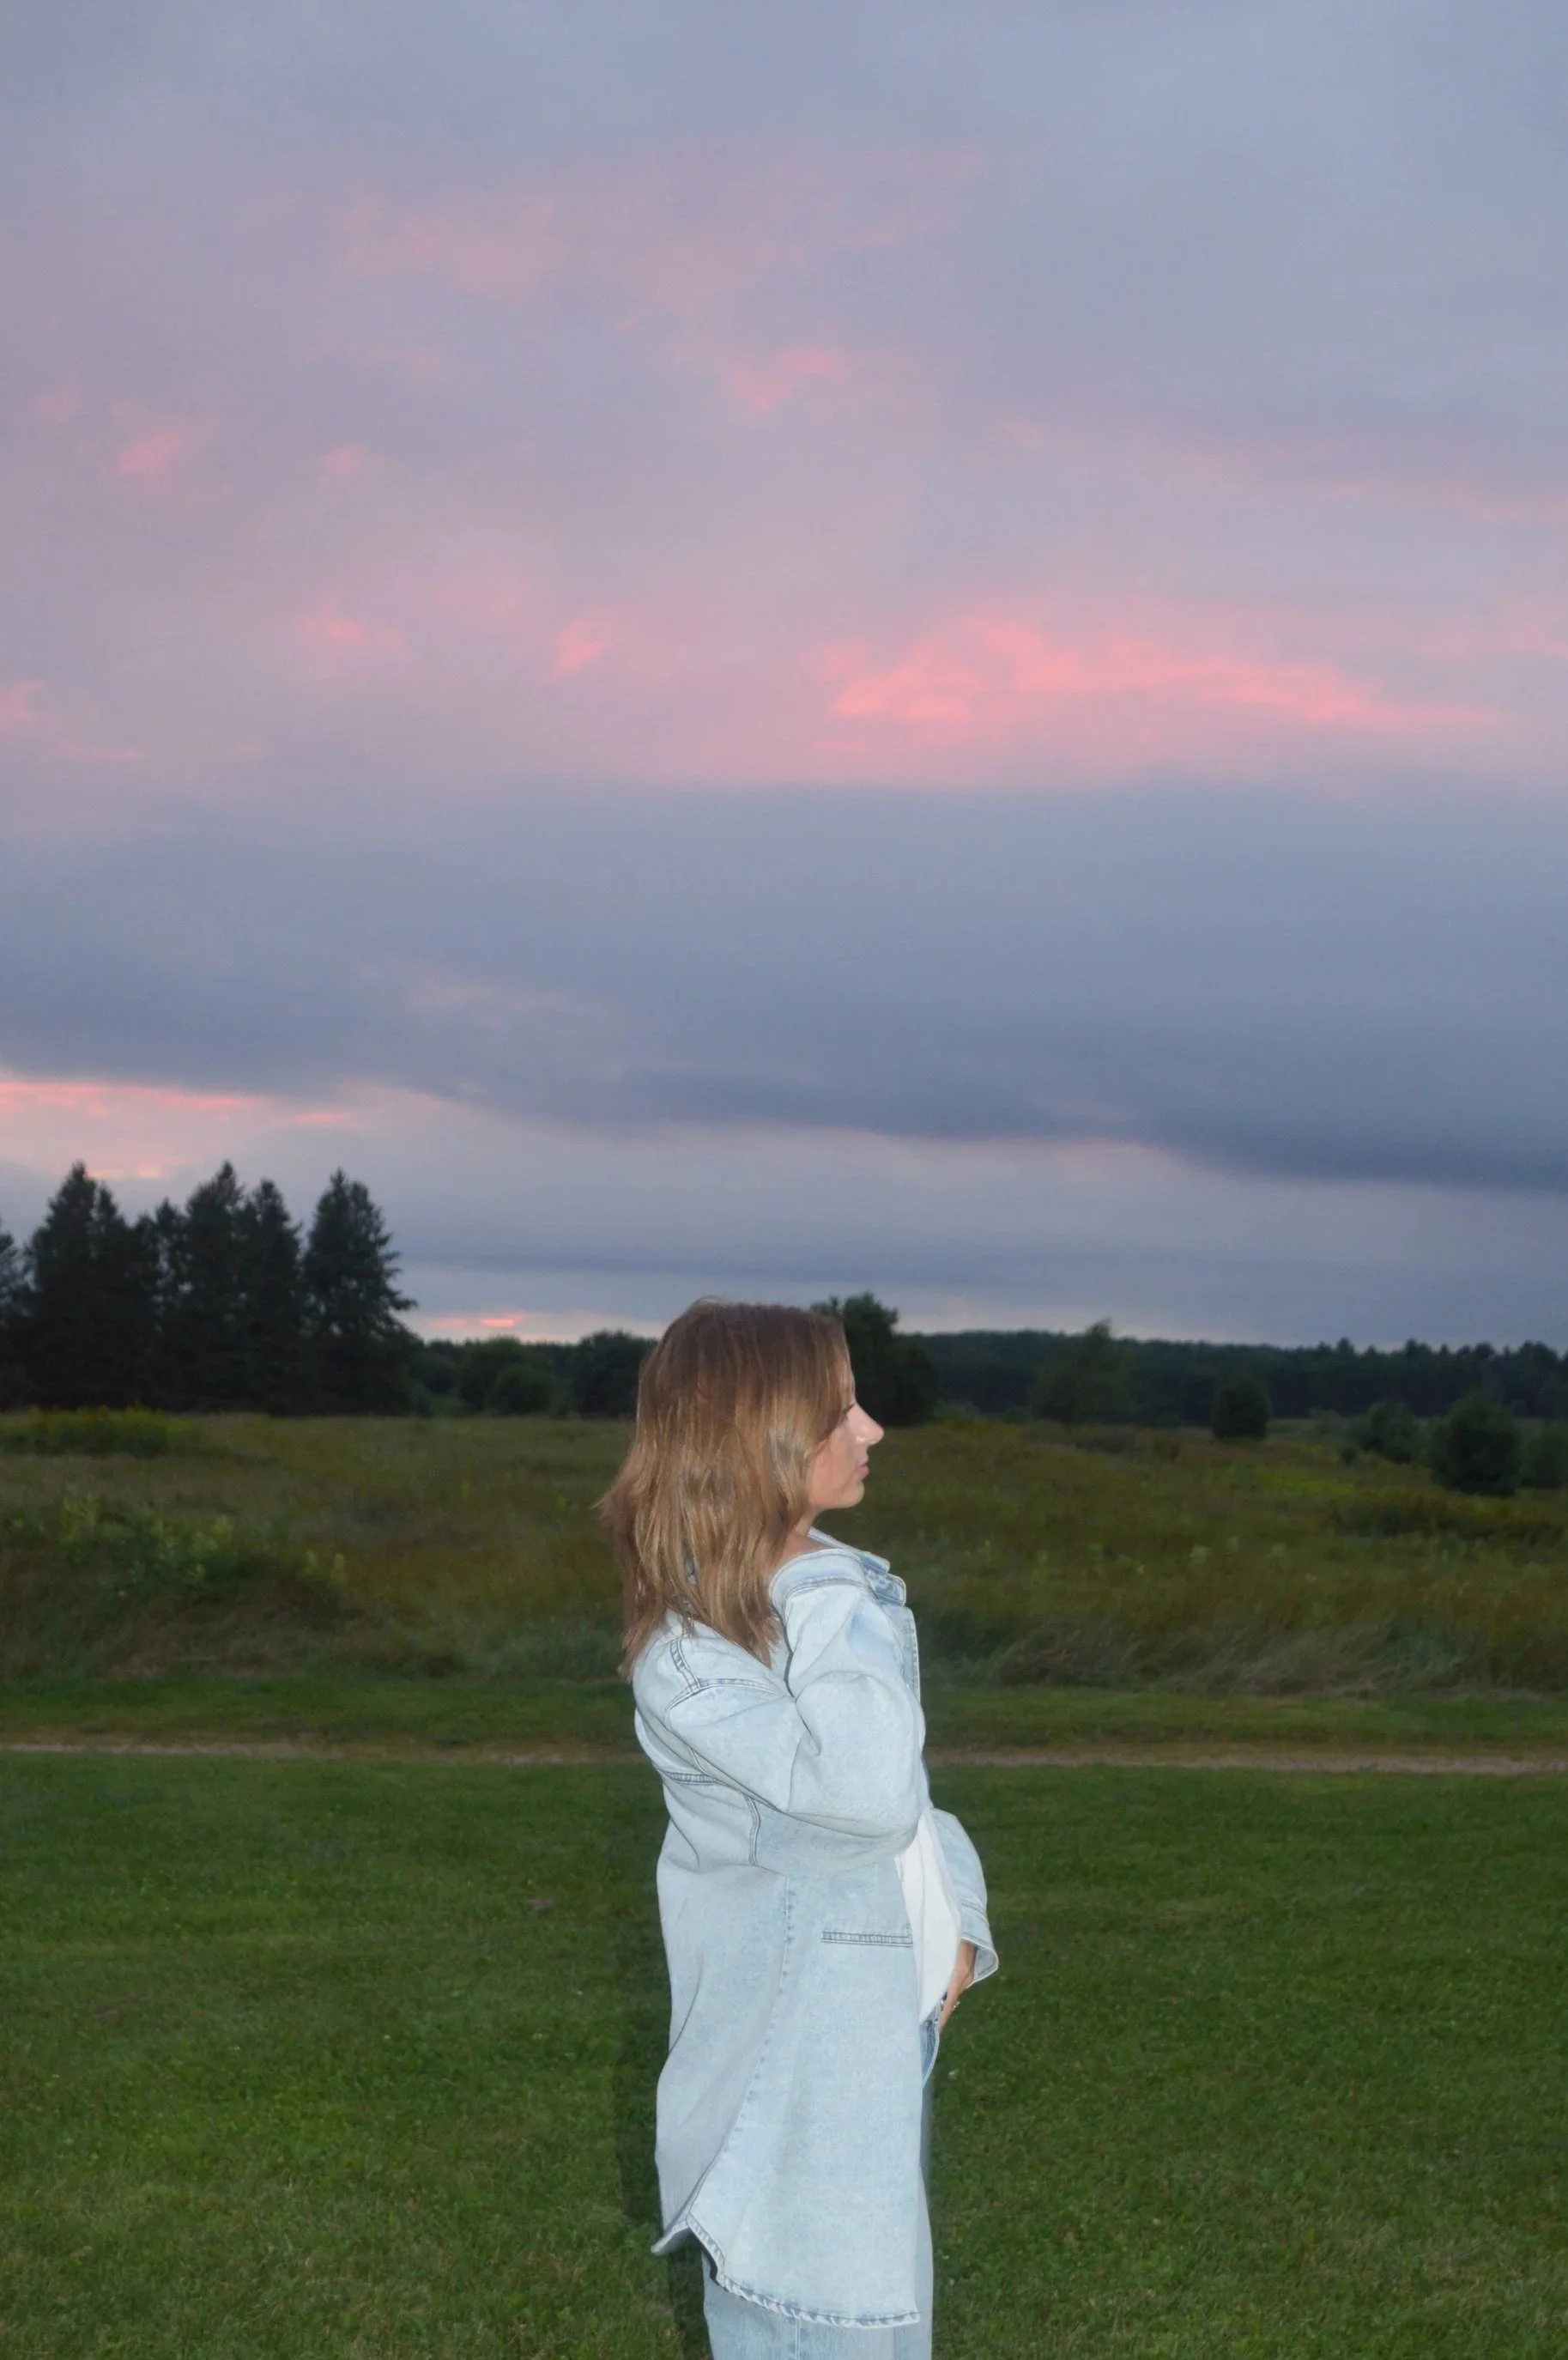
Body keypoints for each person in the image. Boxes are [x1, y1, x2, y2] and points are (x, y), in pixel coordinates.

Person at [605, 1299, 996, 2357]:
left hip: (856, 2072)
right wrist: (825, 1571)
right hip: (792, 2121)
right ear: (762, 1443)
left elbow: (909, 1800)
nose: (870, 1431)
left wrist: (959, 1930)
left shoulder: (787, 1618)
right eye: (840, 1411)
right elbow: (872, 1793)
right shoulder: (694, 1663)